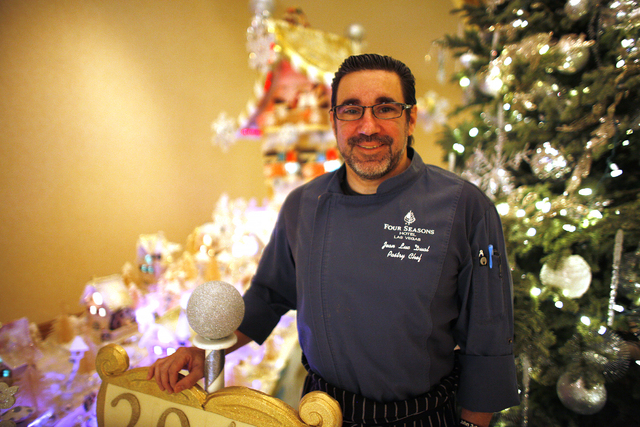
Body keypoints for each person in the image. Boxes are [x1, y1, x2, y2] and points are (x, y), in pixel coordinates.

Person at [149, 53, 520, 427]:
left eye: (386, 108)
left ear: (410, 119)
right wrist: (205, 352)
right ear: (334, 121)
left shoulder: (465, 207)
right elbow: (268, 296)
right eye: (351, 110)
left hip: (420, 416)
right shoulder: (303, 205)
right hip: (320, 414)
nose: (368, 127)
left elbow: (488, 338)